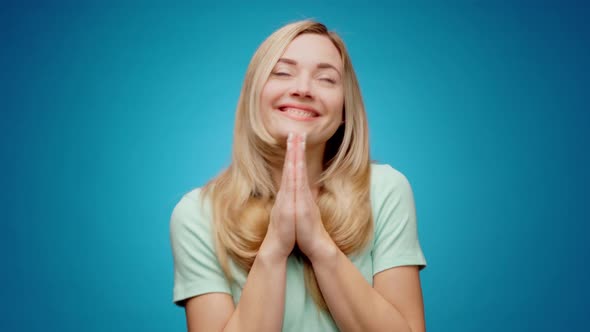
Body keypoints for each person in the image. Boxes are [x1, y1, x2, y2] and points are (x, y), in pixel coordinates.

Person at [170, 19, 427, 332]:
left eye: (326, 79)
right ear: (254, 94)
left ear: (345, 109)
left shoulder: (385, 190)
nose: (303, 89)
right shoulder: (197, 214)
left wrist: (318, 244)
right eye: (282, 72)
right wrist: (275, 247)